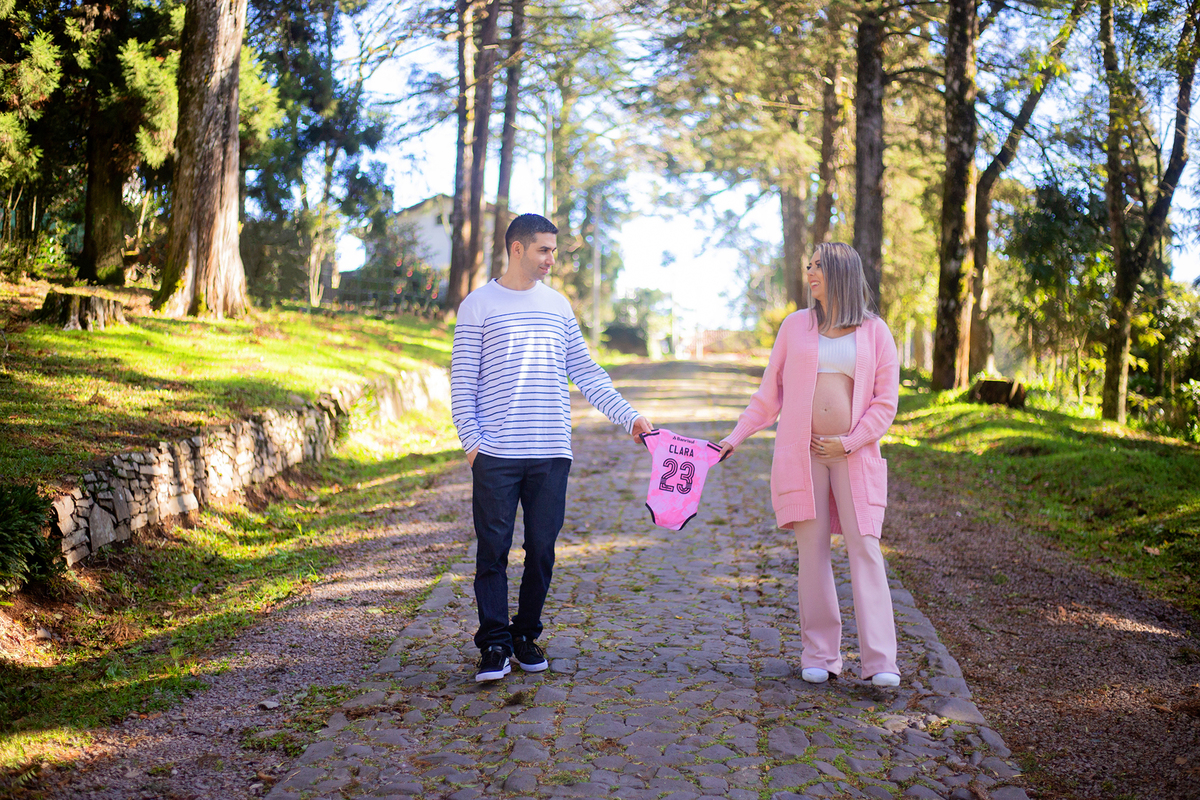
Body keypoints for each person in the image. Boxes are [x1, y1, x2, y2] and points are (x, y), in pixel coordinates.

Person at [451, 212, 653, 683]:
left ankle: (525, 635)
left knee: (542, 549)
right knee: (493, 553)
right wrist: (473, 444)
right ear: (517, 248)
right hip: (496, 454)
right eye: (544, 250)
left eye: (554, 251)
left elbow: (584, 371)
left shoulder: (558, 306)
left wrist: (631, 417)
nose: (550, 260)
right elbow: (463, 383)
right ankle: (495, 645)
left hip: (550, 453)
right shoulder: (478, 305)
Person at [718, 242, 901, 687]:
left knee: (865, 549)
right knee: (812, 553)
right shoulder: (795, 327)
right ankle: (821, 653)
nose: (810, 272)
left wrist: (850, 442)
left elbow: (885, 402)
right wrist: (734, 437)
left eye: (818, 266)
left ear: (840, 272)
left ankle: (880, 662)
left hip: (853, 456)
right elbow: (769, 396)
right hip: (802, 456)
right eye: (808, 265)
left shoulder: (875, 332)